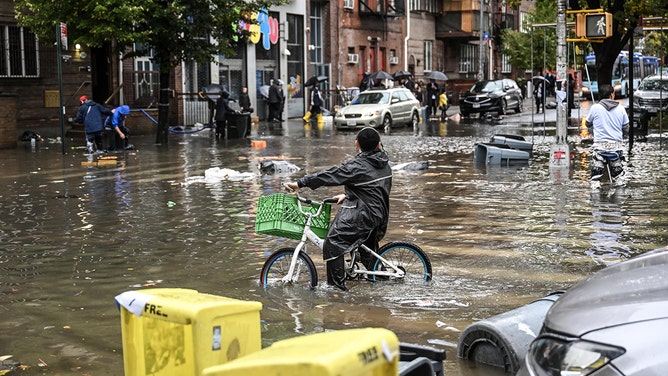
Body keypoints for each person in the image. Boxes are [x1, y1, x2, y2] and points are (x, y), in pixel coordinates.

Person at [285, 127, 392, 291]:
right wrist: (349, 195)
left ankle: (336, 290)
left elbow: (330, 174)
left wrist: (301, 183)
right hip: (379, 214)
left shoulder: (357, 166)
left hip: (365, 214)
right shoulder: (384, 163)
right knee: (367, 252)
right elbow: (374, 188)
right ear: (379, 144)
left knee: (334, 241)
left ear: (357, 144)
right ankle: (382, 279)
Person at [586, 84, 629, 190]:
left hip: (600, 147)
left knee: (596, 178)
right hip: (616, 147)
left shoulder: (595, 108)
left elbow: (587, 124)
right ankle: (619, 200)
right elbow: (626, 128)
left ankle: (597, 201)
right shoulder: (621, 109)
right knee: (619, 179)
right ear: (611, 94)